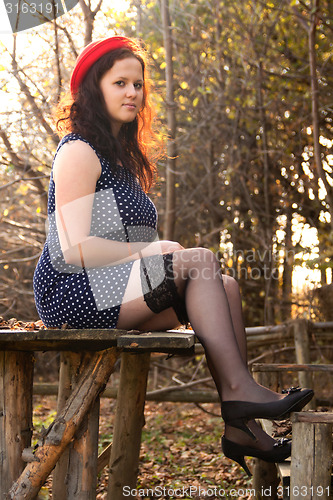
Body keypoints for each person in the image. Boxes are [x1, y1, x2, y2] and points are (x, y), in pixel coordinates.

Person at [33, 36, 313, 477]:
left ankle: (241, 425)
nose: (132, 93)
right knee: (199, 260)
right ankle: (240, 392)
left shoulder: (120, 160)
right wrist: (152, 249)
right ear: (94, 88)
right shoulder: (78, 152)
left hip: (109, 287)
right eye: (120, 82)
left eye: (138, 84)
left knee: (225, 284)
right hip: (72, 290)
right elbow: (72, 248)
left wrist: (152, 254)